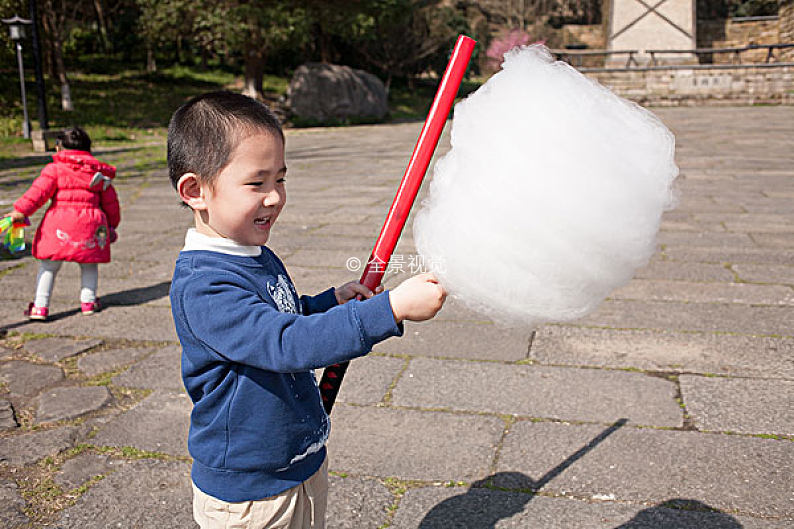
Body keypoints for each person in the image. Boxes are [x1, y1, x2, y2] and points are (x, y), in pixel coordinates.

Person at [168, 91, 446, 529]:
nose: (275, 197)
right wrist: (390, 309)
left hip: (299, 460)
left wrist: (327, 303)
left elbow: (282, 317)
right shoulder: (205, 285)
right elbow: (284, 343)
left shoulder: (252, 253)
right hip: (251, 490)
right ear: (195, 190)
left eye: (280, 179)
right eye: (256, 183)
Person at [5, 127, 120, 321]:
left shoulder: (55, 169)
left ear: (59, 148)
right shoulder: (99, 172)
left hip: (59, 223)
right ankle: (88, 301)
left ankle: (40, 306)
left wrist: (20, 211)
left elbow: (37, 194)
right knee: (89, 263)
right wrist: (112, 225)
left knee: (49, 266)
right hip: (91, 223)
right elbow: (111, 203)